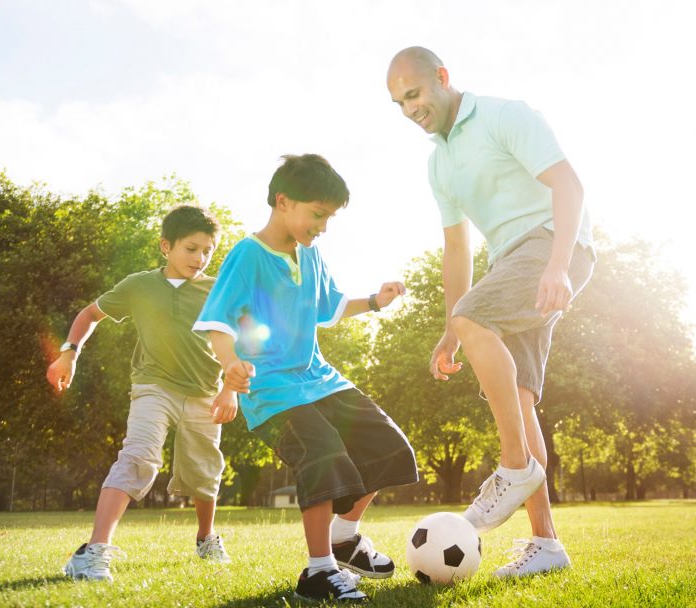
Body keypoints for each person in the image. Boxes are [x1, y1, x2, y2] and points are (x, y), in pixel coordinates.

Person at [387, 46, 595, 577]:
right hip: (510, 264)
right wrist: (450, 331)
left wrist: (557, 265)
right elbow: (456, 250)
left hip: (550, 246)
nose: (410, 109)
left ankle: (514, 466)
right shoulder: (440, 163)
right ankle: (546, 545)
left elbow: (569, 185)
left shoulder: (505, 115)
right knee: (519, 398)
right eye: (399, 103)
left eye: (414, 94)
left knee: (474, 318)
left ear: (442, 77)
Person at [193, 154, 419, 603]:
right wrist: (229, 363)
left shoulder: (311, 254)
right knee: (324, 452)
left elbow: (329, 307)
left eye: (329, 217)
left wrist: (375, 301)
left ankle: (344, 538)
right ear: (283, 202)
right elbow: (218, 321)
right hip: (273, 390)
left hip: (320, 379)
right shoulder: (247, 255)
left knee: (388, 446)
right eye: (318, 214)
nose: (324, 226)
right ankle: (319, 571)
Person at [46, 205, 236, 582]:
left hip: (204, 393)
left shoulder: (218, 290)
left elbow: (236, 343)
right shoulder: (139, 285)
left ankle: (206, 538)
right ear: (166, 246)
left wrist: (230, 389)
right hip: (154, 386)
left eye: (207, 251)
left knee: (204, 471)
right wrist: (69, 353)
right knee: (138, 457)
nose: (199, 258)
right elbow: (88, 315)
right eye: (190, 248)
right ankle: (94, 551)